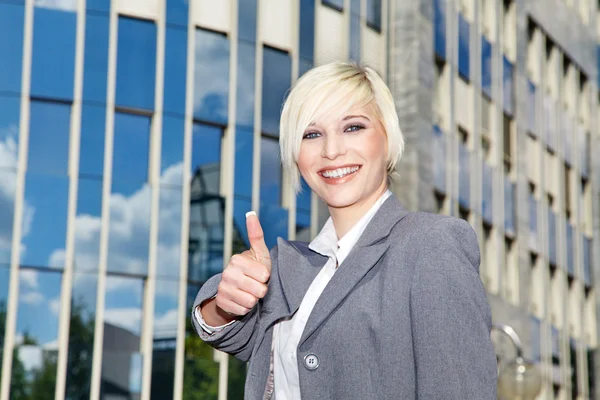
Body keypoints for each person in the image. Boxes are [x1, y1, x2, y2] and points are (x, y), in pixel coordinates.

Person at [191, 61, 497, 399]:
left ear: (387, 137)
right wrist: (224, 300)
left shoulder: (430, 244)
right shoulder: (289, 267)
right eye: (311, 134)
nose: (331, 150)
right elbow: (226, 333)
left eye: (352, 127)